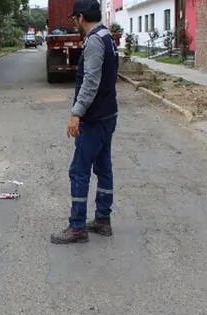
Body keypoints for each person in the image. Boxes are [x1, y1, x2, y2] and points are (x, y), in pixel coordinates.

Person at [51, 0, 119, 244]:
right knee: (103, 168)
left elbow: (91, 81)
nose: (75, 24)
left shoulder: (93, 42)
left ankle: (77, 226)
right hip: (108, 114)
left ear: (80, 17)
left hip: (94, 118)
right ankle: (103, 219)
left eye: (74, 20)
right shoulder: (107, 37)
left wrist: (76, 113)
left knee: (79, 171)